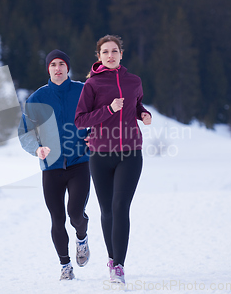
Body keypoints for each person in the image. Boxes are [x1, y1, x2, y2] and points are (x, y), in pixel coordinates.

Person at [74, 35, 152, 284]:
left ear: (121, 54)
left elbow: (136, 105)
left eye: (114, 51)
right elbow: (80, 120)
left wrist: (144, 113)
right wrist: (109, 109)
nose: (110, 55)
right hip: (99, 154)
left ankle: (119, 265)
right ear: (99, 57)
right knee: (107, 210)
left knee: (121, 207)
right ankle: (111, 257)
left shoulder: (134, 81)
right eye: (105, 52)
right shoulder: (92, 85)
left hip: (130, 152)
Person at [18, 49, 91, 281]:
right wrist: (36, 149)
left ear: (68, 68)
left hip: (80, 162)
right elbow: (24, 133)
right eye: (53, 65)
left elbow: (99, 118)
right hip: (51, 167)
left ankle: (82, 237)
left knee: (76, 213)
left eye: (62, 64)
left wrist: (94, 135)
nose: (58, 68)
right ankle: (65, 265)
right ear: (48, 69)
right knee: (57, 218)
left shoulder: (82, 91)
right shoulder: (37, 99)